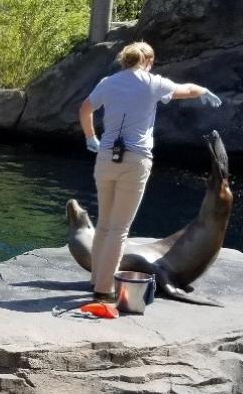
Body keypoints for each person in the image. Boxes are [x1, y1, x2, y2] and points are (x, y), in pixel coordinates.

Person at [77, 41, 223, 302]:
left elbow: (85, 108)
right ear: (148, 61)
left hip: (106, 157)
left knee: (105, 223)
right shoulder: (151, 83)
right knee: (119, 229)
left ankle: (96, 278)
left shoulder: (107, 82)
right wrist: (203, 90)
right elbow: (186, 90)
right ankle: (104, 289)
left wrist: (91, 137)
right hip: (135, 160)